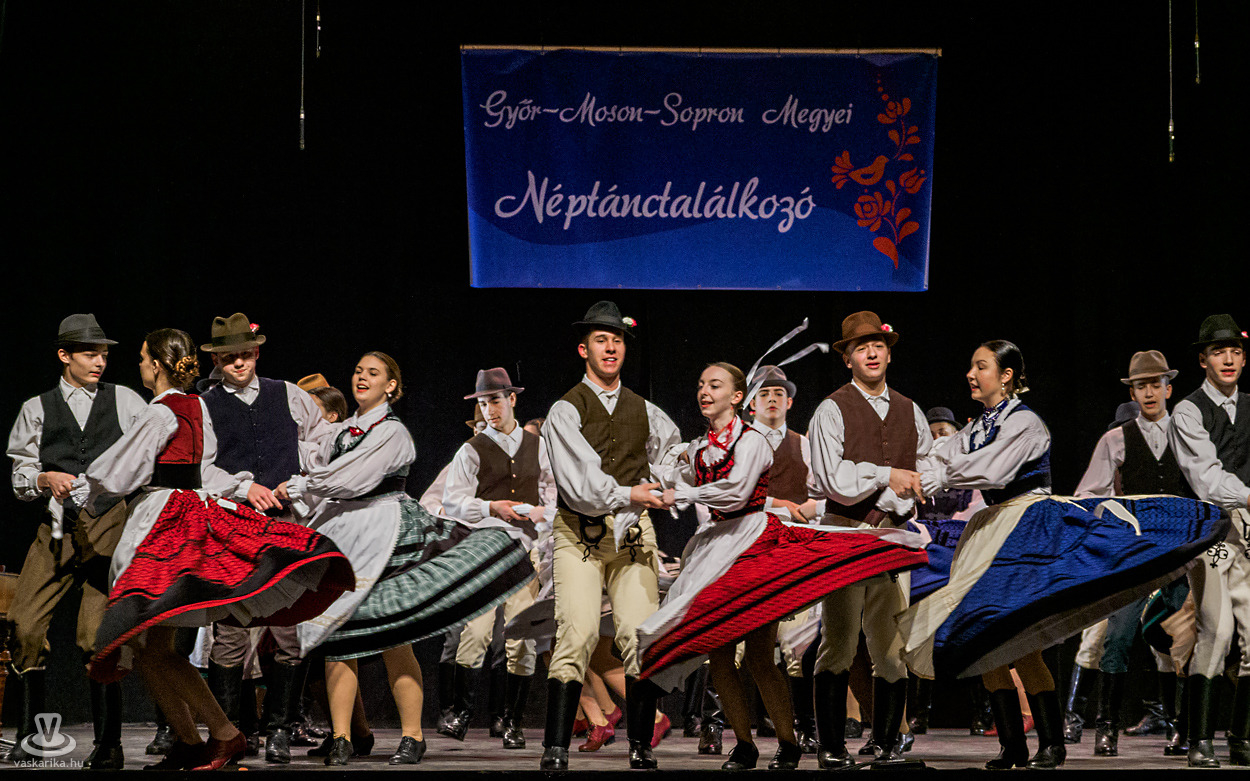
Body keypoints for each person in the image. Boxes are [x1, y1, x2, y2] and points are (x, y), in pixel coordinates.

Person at [901, 339, 1227, 770]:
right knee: (980, 640)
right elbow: (941, 452)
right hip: (989, 531)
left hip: (1024, 528)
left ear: (1006, 376)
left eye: (981, 366)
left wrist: (936, 476)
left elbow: (992, 469)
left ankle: (1052, 742)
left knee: (1021, 646)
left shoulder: (1025, 423)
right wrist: (911, 470)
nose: (971, 374)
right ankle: (1012, 746)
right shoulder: (977, 427)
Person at [83, 327, 355, 771]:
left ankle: (222, 735)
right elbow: (204, 467)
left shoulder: (160, 412)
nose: (140, 365)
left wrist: (81, 489)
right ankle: (193, 740)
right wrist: (240, 487)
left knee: (151, 642)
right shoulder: (197, 405)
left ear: (157, 365)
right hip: (189, 513)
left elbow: (118, 474)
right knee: (152, 647)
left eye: (143, 358)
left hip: (162, 520)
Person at [637, 362, 928, 771]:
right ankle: (743, 744)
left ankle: (789, 742)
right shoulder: (699, 447)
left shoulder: (752, 441)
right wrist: (658, 477)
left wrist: (684, 493)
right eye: (701, 384)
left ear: (737, 396)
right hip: (714, 549)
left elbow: (737, 492)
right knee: (719, 655)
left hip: (753, 544)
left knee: (760, 653)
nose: (705, 391)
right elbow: (673, 468)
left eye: (715, 385)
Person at [279, 351, 535, 766]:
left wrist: (298, 485)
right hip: (343, 533)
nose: (362, 377)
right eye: (358, 371)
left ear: (391, 385)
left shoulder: (393, 432)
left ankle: (412, 735)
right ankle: (341, 737)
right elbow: (314, 453)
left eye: (373, 373)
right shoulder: (342, 431)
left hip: (384, 531)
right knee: (338, 639)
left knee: (395, 638)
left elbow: (350, 479)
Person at [539, 300, 682, 770]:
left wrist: (667, 483)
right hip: (580, 533)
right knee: (577, 632)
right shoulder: (566, 410)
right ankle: (555, 747)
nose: (610, 347)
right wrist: (631, 492)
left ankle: (640, 744)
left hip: (633, 533)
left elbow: (670, 455)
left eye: (617, 340)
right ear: (584, 349)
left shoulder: (645, 410)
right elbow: (581, 485)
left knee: (640, 636)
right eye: (601, 339)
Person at [4, 314, 147, 769]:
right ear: (64, 355)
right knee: (24, 625)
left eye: (103, 354)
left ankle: (109, 744)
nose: (99, 362)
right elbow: (21, 473)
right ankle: (30, 736)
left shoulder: (124, 400)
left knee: (96, 635)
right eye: (89, 354)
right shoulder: (37, 407)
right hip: (57, 528)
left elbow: (149, 454)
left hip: (109, 525)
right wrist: (44, 477)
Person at [198, 313, 340, 764]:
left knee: (287, 627)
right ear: (217, 360)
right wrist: (243, 487)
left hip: (285, 522)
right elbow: (202, 466)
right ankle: (231, 731)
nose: (239, 363)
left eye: (245, 354)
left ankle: (279, 728)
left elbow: (324, 445)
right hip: (234, 524)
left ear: (256, 352)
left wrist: (299, 482)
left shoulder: (289, 394)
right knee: (231, 632)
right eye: (229, 357)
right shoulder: (206, 404)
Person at [806, 311, 934, 768]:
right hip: (846, 534)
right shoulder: (831, 409)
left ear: (889, 353)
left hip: (893, 536)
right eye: (861, 348)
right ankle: (831, 746)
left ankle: (885, 743)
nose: (872, 353)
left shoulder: (910, 409)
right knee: (839, 642)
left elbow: (924, 469)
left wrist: (901, 492)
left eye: (877, 345)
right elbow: (833, 480)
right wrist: (886, 476)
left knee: (891, 646)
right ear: (848, 359)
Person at [1074, 352, 1187, 758]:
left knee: (1178, 637)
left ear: (1168, 388)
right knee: (1118, 637)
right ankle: (1106, 728)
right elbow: (1088, 494)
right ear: (1133, 393)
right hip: (1134, 554)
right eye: (1142, 386)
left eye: (1156, 384)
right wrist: (1113, 525)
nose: (1150, 392)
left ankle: (1179, 725)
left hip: (1180, 552)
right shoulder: (1116, 439)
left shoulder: (1189, 435)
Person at [440, 367, 556, 749]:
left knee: (520, 637)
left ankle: (512, 721)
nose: (489, 410)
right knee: (475, 633)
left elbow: (554, 494)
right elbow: (452, 501)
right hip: (487, 548)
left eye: (495, 401)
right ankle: (461, 712)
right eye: (483, 403)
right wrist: (490, 507)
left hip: (525, 550)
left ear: (512, 399)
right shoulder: (472, 449)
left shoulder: (538, 446)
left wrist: (542, 515)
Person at [1168, 314, 1250, 768]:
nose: (1229, 359)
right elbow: (1206, 478)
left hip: (1249, 529)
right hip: (1211, 527)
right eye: (1219, 352)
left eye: (1236, 351)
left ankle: (1242, 737)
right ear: (1203, 360)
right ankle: (1200, 738)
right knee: (1216, 629)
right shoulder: (1188, 410)